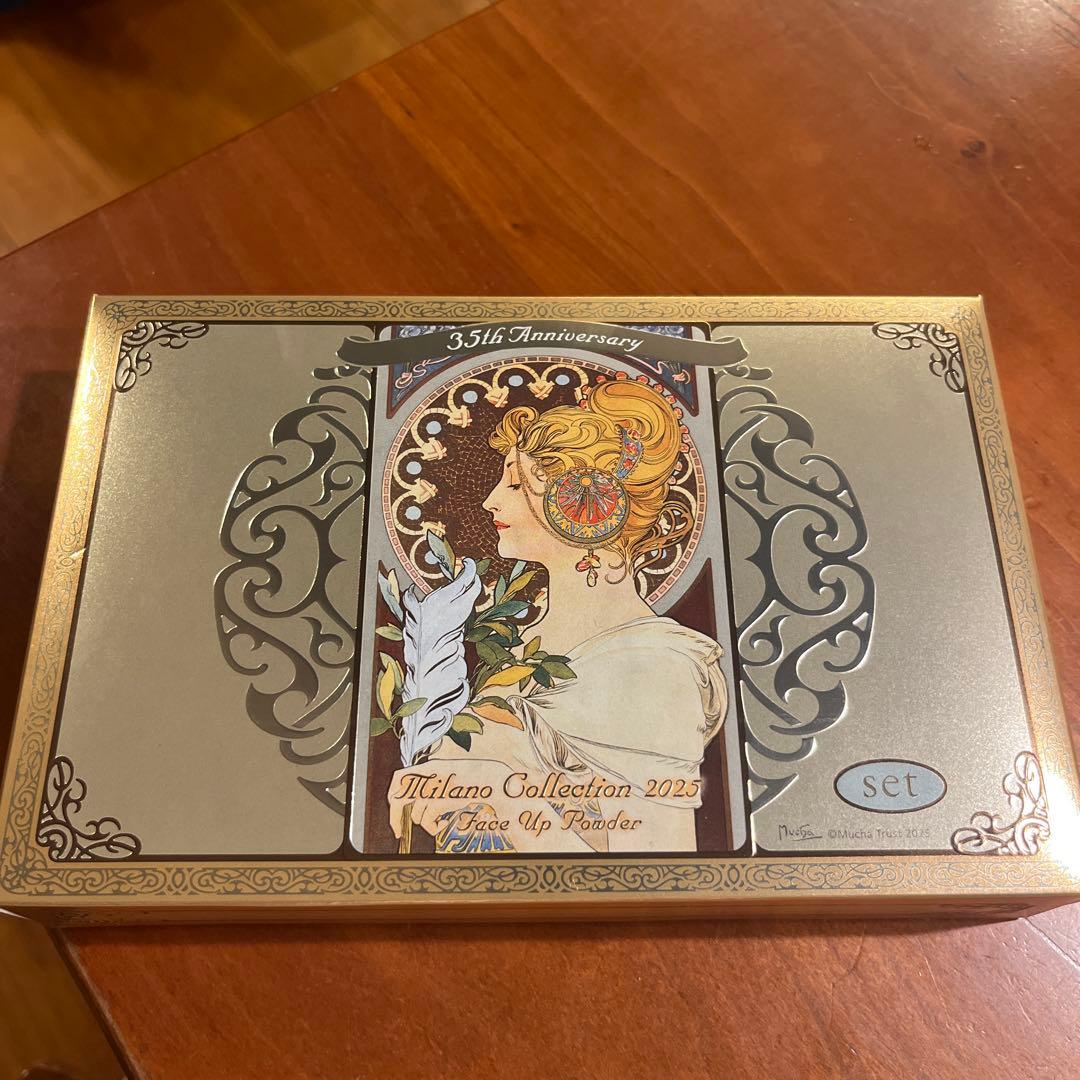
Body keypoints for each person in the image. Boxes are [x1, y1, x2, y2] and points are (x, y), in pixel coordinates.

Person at [389, 377, 727, 853]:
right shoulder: (526, 644)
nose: (490, 500)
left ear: (583, 507)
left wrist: (495, 794)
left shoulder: (656, 668)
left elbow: (653, 875)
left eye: (514, 483)